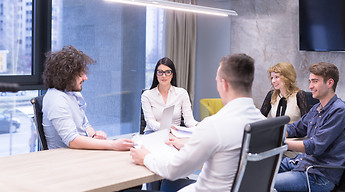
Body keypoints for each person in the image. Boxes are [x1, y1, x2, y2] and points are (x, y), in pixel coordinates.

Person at [131, 53, 266, 192]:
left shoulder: (214, 125)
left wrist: (145, 157)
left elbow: (173, 170)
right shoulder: (265, 123)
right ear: (251, 83)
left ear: (224, 84)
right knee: (168, 185)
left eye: (217, 80)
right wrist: (189, 144)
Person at [274, 62, 345, 192]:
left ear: (329, 83)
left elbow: (314, 146)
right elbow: (295, 128)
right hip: (301, 163)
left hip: (318, 176)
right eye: (310, 81)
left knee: (264, 183)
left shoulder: (339, 112)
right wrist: (273, 133)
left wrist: (280, 141)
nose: (310, 86)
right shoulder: (318, 108)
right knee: (256, 169)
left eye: (315, 81)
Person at [42, 45, 133, 151]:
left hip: (80, 153)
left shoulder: (72, 94)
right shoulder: (56, 99)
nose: (85, 78)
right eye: (81, 74)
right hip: (64, 158)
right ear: (66, 75)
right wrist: (112, 145)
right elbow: (72, 140)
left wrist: (95, 136)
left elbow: (85, 125)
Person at [141, 57, 198, 133]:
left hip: (175, 134)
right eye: (160, 72)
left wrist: (198, 125)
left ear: (172, 75)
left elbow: (189, 121)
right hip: (152, 133)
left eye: (168, 72)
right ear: (156, 74)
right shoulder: (147, 95)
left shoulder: (182, 93)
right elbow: (150, 122)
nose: (164, 76)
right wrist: (166, 128)